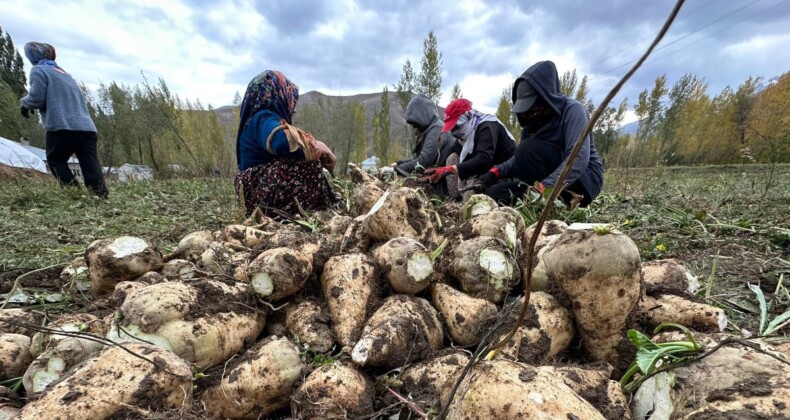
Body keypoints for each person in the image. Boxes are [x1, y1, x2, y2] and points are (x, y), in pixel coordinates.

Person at [479, 61, 604, 208]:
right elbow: (520, 158)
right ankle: (539, 202)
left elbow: (578, 159)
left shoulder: (573, 111)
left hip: (583, 182)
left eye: (533, 108)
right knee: (493, 194)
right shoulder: (531, 121)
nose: (529, 114)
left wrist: (543, 188)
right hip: (542, 185)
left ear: (547, 99)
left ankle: (553, 203)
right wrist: (496, 171)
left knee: (529, 149)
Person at [235, 70, 337, 217]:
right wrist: (318, 146)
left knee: (302, 160)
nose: (292, 109)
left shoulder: (254, 121)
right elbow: (283, 142)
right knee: (307, 164)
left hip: (254, 194)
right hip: (260, 195)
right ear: (279, 95)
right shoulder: (264, 118)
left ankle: (319, 205)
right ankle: (299, 211)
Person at [19, 42, 108, 198]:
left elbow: (36, 98)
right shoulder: (64, 74)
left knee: (56, 160)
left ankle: (74, 194)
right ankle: (101, 195)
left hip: (63, 126)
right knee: (90, 164)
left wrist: (25, 104)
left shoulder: (39, 70)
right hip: (87, 128)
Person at [424, 98, 516, 197]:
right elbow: (451, 152)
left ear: (466, 118)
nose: (454, 133)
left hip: (501, 174)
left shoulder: (487, 127)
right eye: (451, 129)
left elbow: (484, 159)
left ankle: (465, 202)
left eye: (456, 127)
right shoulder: (466, 133)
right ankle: (455, 198)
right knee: (452, 158)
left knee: (470, 193)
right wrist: (436, 170)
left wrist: (449, 170)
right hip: (484, 170)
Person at [378, 94, 457, 197]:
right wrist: (398, 164)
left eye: (415, 122)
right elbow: (417, 158)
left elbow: (423, 161)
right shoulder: (431, 129)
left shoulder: (437, 129)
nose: (414, 126)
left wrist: (394, 170)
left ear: (424, 115)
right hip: (433, 179)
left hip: (441, 185)